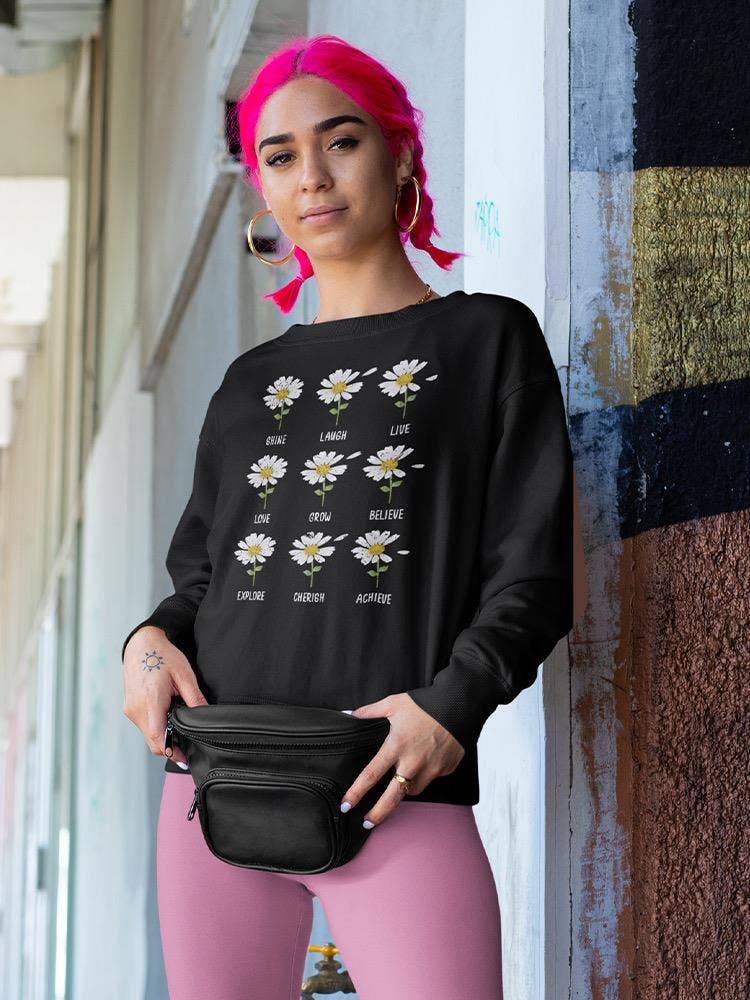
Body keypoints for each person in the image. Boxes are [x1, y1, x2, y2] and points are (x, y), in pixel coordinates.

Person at [121, 33, 574, 1000]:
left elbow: (532, 574)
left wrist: (452, 707)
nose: (312, 178)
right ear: (263, 187)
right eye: (281, 156)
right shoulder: (249, 382)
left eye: (341, 141)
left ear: (400, 153)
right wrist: (145, 644)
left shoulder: (487, 339)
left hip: (394, 784)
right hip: (214, 786)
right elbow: (199, 581)